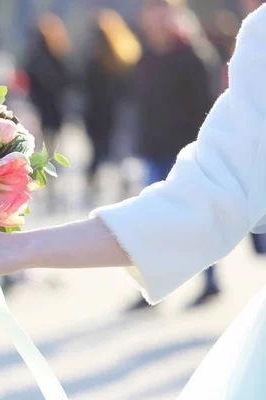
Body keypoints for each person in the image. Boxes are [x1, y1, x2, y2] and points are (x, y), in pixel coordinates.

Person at [0, 3, 266, 398]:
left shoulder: (219, 48)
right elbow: (202, 199)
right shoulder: (163, 53)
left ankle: (210, 282)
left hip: (176, 147)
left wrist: (14, 248)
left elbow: (203, 201)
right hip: (155, 148)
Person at [129, 0, 222, 309]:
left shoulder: (193, 55)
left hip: (187, 152)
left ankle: (210, 282)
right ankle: (152, 287)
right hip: (154, 151)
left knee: (195, 219)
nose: (153, 16)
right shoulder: (144, 57)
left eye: (160, 8)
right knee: (151, 221)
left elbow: (208, 109)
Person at [83, 9, 141, 197]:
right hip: (113, 111)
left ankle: (94, 184)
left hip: (99, 112)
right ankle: (121, 185)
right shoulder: (122, 56)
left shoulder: (94, 59)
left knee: (100, 151)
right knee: (118, 150)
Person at [24, 13, 73, 212]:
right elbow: (68, 82)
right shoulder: (57, 54)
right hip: (54, 111)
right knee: (53, 153)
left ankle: (48, 192)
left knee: (43, 154)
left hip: (43, 111)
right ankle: (51, 192)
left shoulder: (35, 56)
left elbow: (28, 84)